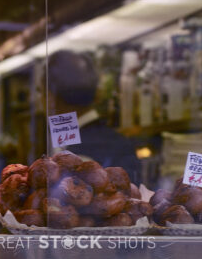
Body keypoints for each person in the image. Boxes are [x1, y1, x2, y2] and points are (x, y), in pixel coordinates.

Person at [48, 49, 140, 177]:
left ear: (50, 98)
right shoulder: (119, 143)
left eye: (41, 92)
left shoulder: (77, 155)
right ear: (98, 94)